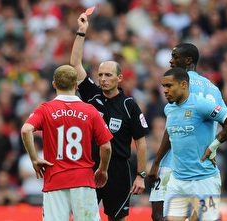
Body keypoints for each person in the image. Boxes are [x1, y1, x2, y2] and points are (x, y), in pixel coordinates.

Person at [70, 13, 149, 221]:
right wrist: (81, 32)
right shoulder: (91, 94)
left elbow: (140, 143)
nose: (103, 79)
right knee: (84, 217)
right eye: (101, 75)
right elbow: (75, 62)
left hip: (118, 169)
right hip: (89, 166)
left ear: (119, 78)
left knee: (117, 218)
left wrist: (141, 175)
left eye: (108, 75)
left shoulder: (129, 105)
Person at [20, 64, 113, 221]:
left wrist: (34, 159)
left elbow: (25, 130)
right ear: (76, 85)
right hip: (83, 180)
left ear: (54, 84)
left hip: (55, 180)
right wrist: (103, 169)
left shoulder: (45, 109)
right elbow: (106, 146)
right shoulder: (90, 110)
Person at [148, 43, 227, 221]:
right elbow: (226, 120)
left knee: (159, 214)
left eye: (175, 57)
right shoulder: (212, 88)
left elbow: (173, 127)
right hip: (200, 164)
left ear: (188, 60)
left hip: (175, 163)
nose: (171, 61)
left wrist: (156, 162)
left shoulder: (180, 84)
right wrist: (213, 146)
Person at [159, 67, 227, 221]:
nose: (165, 90)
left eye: (169, 86)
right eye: (163, 86)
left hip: (204, 180)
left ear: (183, 85)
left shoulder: (200, 104)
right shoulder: (168, 108)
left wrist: (214, 146)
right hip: (177, 181)